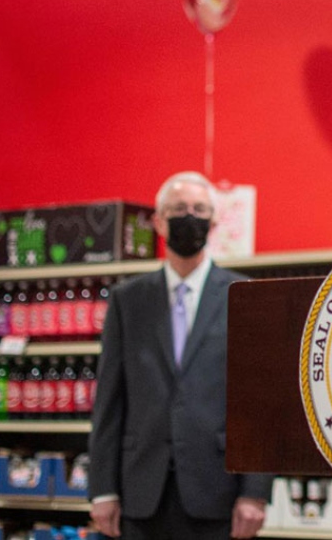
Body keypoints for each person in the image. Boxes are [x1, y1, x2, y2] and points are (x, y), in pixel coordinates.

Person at [88, 171, 273, 539]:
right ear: (158, 221)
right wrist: (102, 489)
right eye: (179, 209)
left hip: (218, 492)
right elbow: (109, 400)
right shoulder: (128, 301)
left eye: (199, 209)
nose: (190, 216)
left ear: (214, 221)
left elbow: (259, 403)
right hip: (140, 494)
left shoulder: (245, 296)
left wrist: (256, 491)